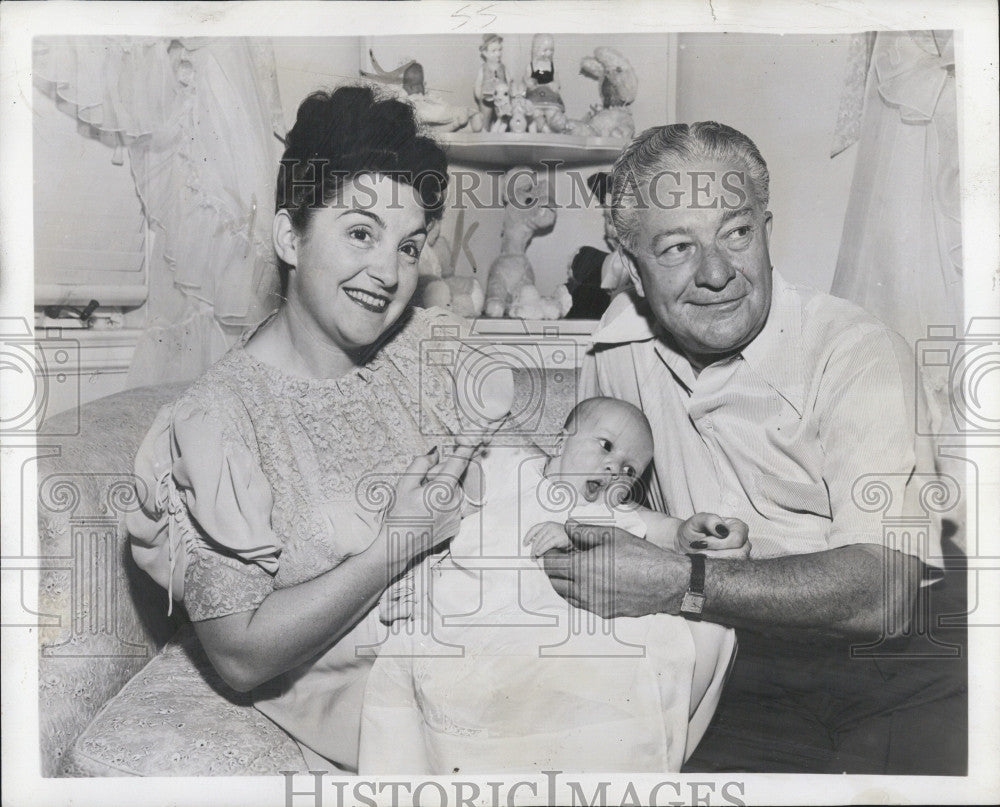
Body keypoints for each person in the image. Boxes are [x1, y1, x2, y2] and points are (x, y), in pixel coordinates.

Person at [541, 122, 966, 774]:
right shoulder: (616, 351)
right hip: (732, 661)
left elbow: (884, 594)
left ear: (767, 226)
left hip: (889, 665)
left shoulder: (854, 351)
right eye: (678, 247)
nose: (718, 273)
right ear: (626, 262)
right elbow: (597, 510)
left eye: (736, 233)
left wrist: (679, 583)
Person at [126, 86, 489, 773]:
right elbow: (238, 653)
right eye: (360, 233)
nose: (388, 272)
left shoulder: (419, 351)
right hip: (394, 712)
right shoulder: (219, 423)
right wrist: (395, 546)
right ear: (290, 236)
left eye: (409, 247)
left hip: (478, 646)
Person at [359, 397, 748, 774]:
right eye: (606, 446)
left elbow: (662, 530)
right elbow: (455, 511)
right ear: (562, 441)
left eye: (630, 471)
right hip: (478, 605)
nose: (615, 468)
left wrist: (683, 533)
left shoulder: (608, 513)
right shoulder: (517, 473)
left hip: (549, 625)